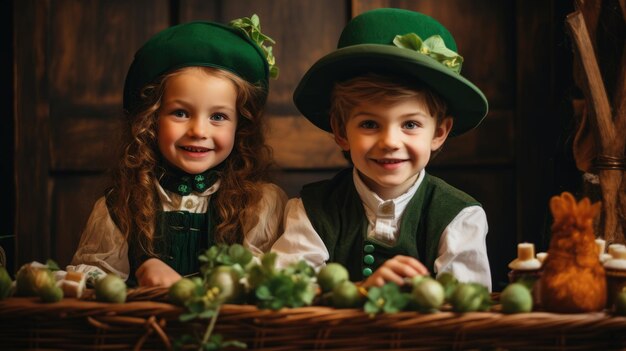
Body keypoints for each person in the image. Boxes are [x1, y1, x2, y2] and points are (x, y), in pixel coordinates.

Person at [271, 8, 492, 290]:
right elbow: (286, 294)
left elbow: (467, 311)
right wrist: (360, 292)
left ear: (438, 132)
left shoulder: (460, 216)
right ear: (341, 132)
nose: (390, 142)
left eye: (410, 124)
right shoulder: (311, 211)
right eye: (369, 124)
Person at [70, 16, 287, 287]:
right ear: (151, 121)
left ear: (239, 127)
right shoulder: (120, 205)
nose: (198, 130)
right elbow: (90, 280)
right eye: (181, 113)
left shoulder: (259, 204)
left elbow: (266, 283)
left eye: (218, 117)